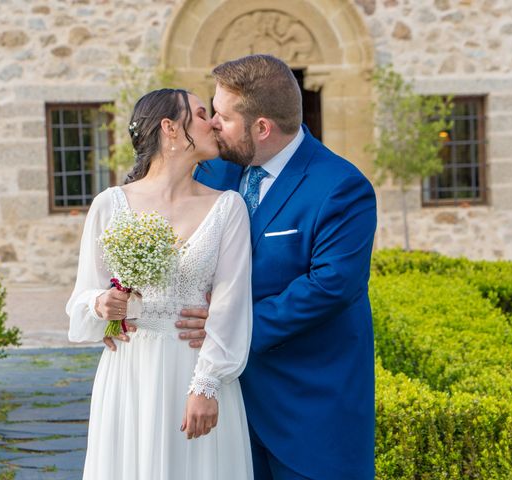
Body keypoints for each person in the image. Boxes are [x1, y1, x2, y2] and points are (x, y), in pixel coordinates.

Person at [179, 54, 377, 479]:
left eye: (223, 116)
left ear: (262, 128)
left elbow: (330, 286)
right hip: (226, 408)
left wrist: (229, 327)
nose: (213, 123)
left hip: (308, 412)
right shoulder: (214, 173)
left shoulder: (342, 188)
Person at [67, 88, 254, 480]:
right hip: (130, 372)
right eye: (202, 114)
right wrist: (103, 304)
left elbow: (232, 303)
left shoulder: (228, 207)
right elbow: (83, 296)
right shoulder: (109, 204)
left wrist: (207, 385)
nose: (213, 123)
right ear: (171, 128)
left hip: (196, 369)